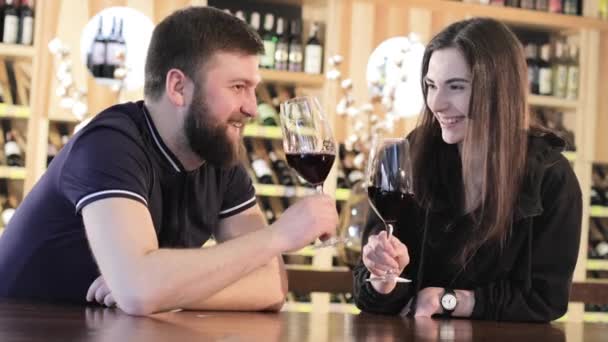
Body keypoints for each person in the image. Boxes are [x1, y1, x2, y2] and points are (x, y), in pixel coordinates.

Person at [0, 7, 338, 315]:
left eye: (253, 88)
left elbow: (271, 287)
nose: (251, 107)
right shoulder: (109, 144)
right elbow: (139, 290)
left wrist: (159, 289)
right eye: (238, 86)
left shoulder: (219, 157)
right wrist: (280, 235)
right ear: (178, 87)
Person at [353, 17, 582, 322]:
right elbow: (367, 298)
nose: (436, 103)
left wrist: (451, 300)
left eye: (456, 87)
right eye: (431, 86)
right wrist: (383, 278)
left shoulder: (551, 176)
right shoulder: (413, 153)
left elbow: (546, 299)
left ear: (501, 91)